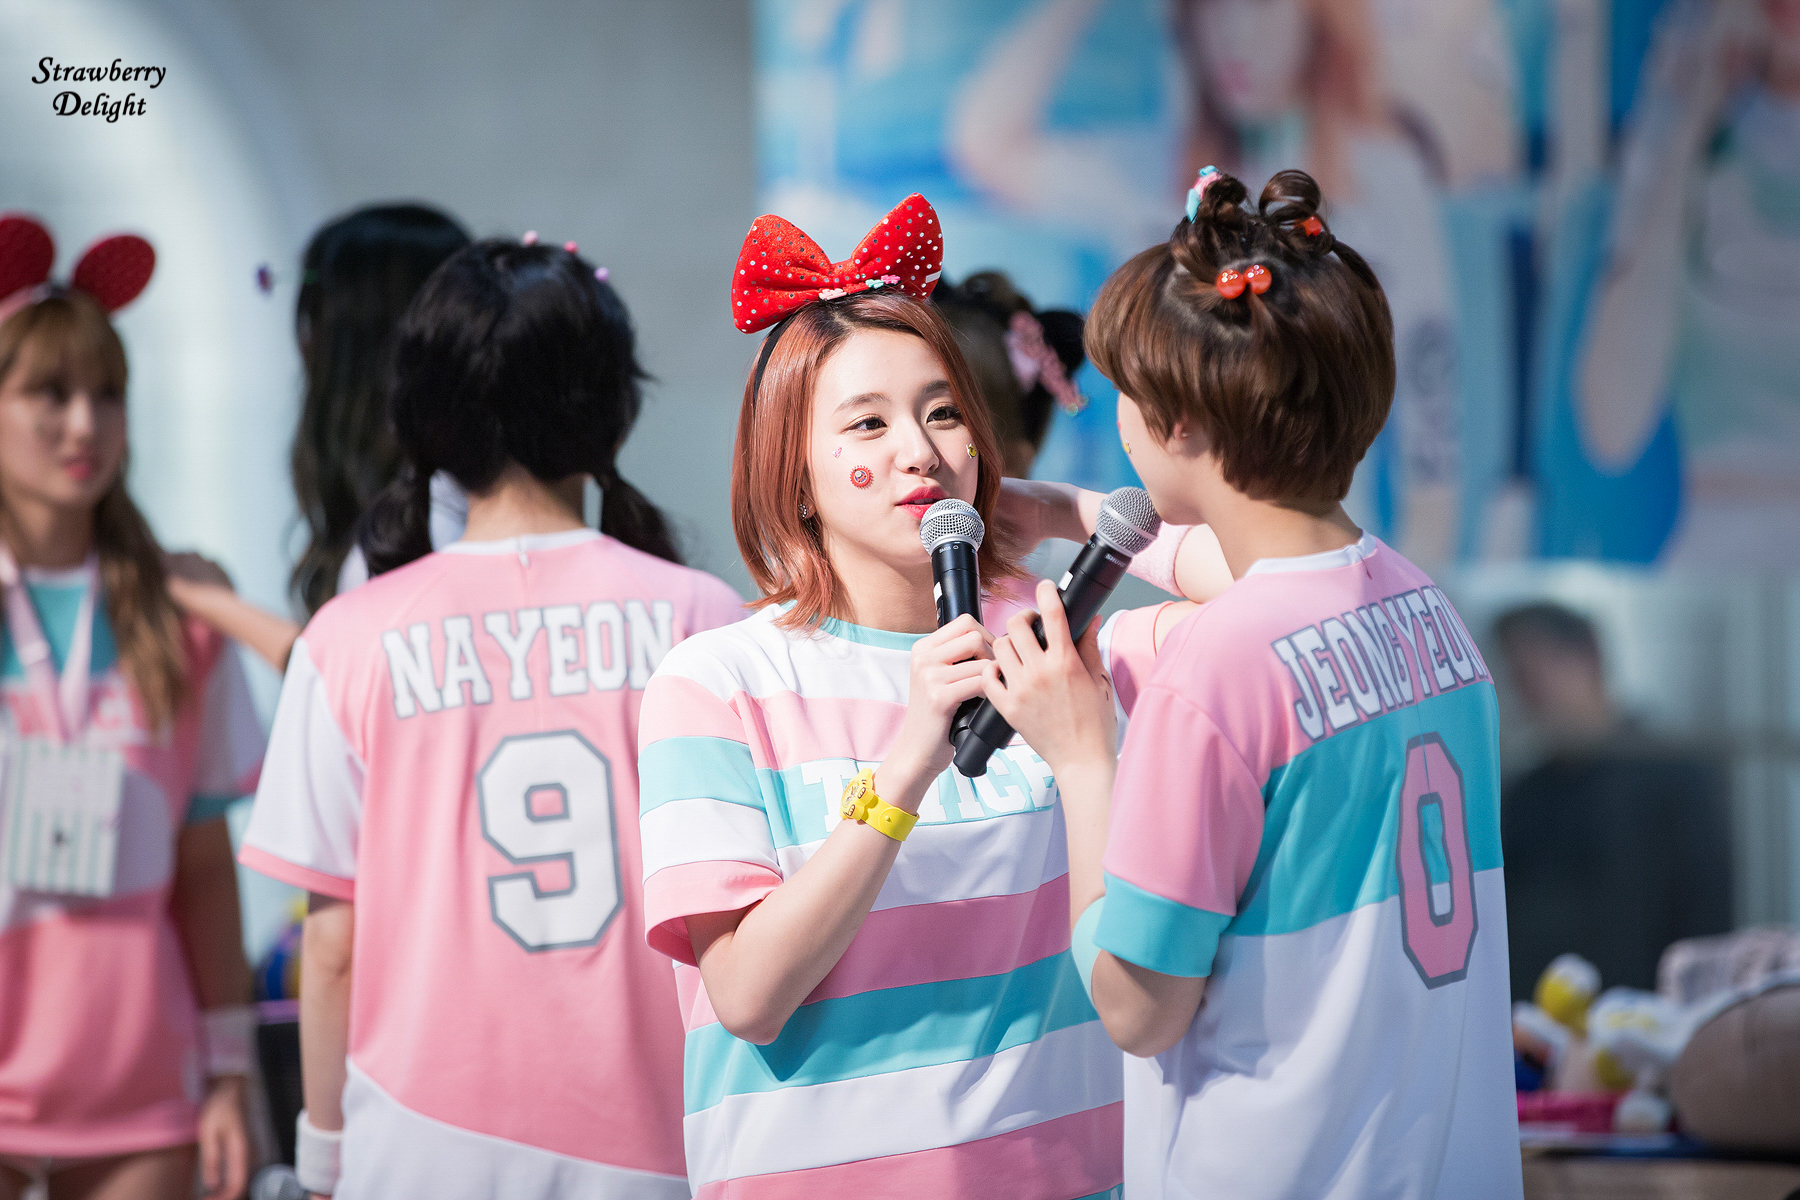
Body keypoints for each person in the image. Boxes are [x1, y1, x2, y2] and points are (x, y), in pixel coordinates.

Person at [978, 169, 1521, 1198]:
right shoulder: (1428, 611)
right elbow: (1260, 576)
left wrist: (1083, 757)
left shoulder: (1215, 671)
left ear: (1180, 422)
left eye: (1129, 392)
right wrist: (1071, 512)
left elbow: (1138, 1006)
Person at [637, 194, 1158, 1199]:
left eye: (943, 412)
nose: (919, 449)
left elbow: (1261, 573)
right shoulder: (717, 683)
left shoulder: (1052, 645)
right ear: (795, 470)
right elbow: (747, 996)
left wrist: (1057, 510)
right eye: (868, 423)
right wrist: (909, 761)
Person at [238, 238, 742, 1198]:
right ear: (611, 404)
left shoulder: (346, 639)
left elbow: (331, 947)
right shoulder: (702, 617)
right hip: (661, 1144)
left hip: (415, 1152)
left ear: (427, 412)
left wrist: (323, 1157)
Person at [952, 0, 1465, 567]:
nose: (1236, 37)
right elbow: (987, 142)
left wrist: (1421, 561)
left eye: (1261, 10)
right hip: (1181, 558)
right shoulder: (1148, 170)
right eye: (1213, 12)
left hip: (1320, 561)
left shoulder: (1383, 178)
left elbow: (1431, 404)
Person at [0, 219, 265, 1200]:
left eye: (108, 394)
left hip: (141, 1093)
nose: (85, 425)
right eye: (49, 393)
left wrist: (229, 1072)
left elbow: (204, 864)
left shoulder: (182, 612)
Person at [169, 204, 472, 670]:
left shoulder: (430, 522)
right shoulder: (452, 498)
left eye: (317, 322)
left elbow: (356, 683)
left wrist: (218, 604)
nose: (305, 347)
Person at [1494, 601, 1733, 997]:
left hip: (1653, 1017)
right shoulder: (1524, 798)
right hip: (1542, 1022)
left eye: (1541, 670)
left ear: (1589, 657)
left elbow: (1706, 919)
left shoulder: (1674, 776)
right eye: (1519, 677)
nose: (1533, 693)